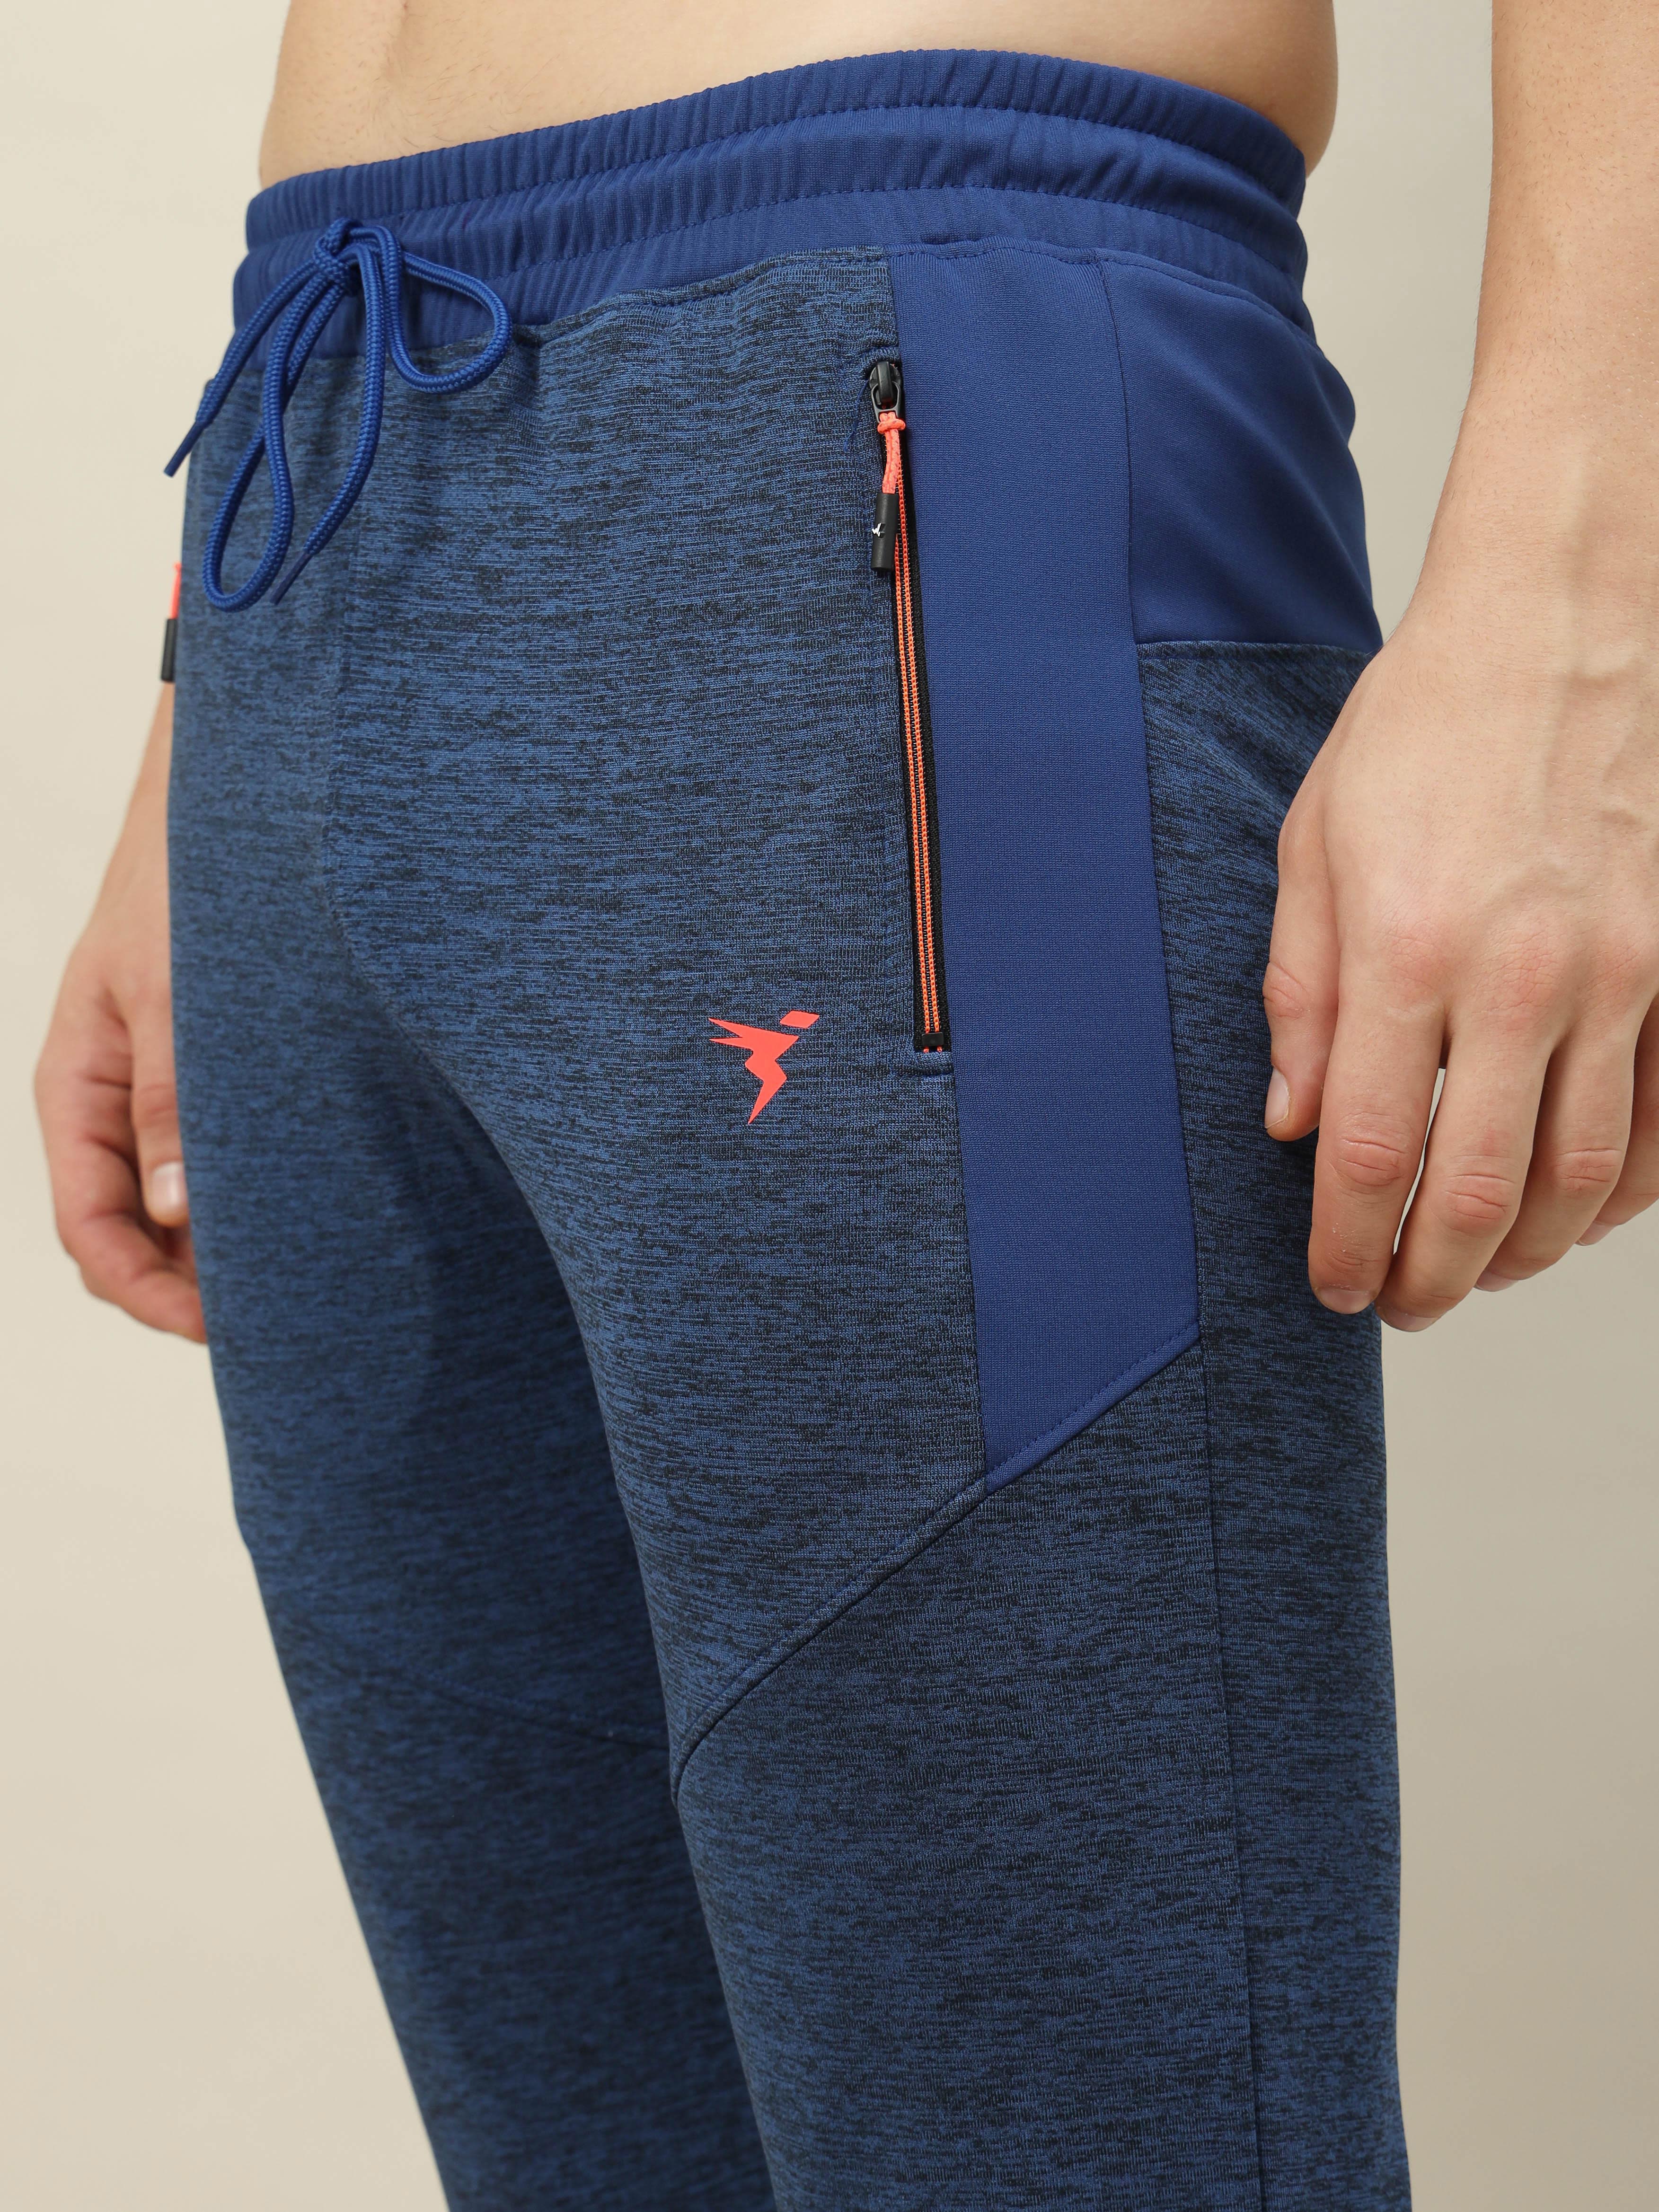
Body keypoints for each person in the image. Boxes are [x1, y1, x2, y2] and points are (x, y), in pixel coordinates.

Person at [32, 4, 1659, 2207]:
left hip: (903, 403)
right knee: (597, 2147)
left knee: (1060, 2143)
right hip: (322, 467)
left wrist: (1585, 604)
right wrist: (196, 740)